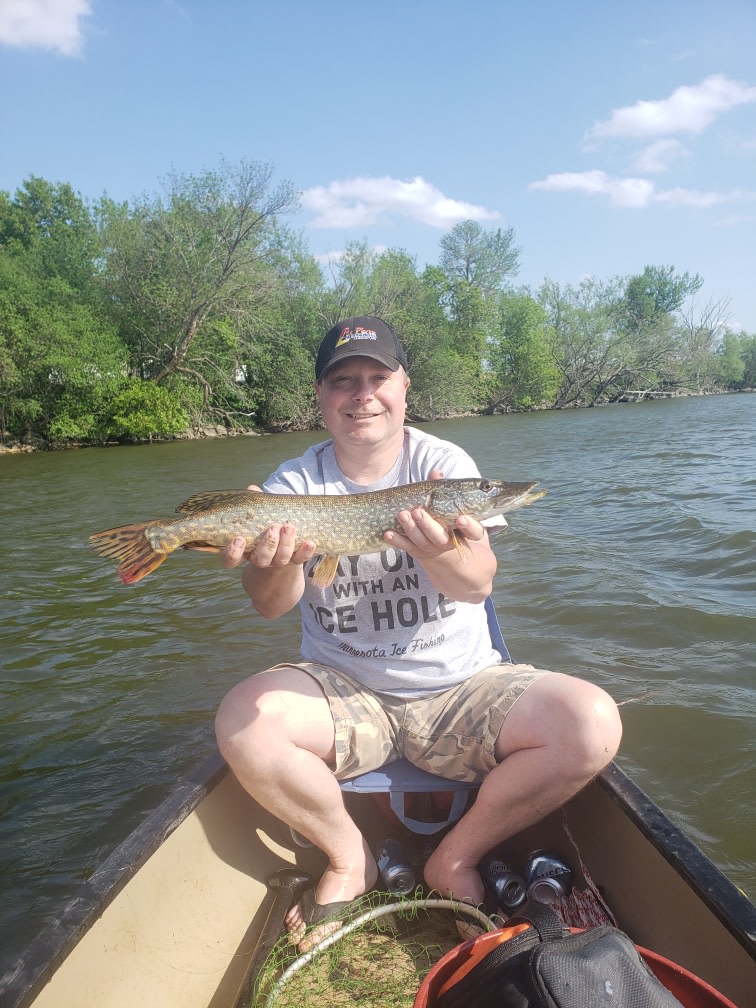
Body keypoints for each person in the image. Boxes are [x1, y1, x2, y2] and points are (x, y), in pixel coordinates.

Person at [215, 316, 622, 950]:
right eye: (344, 381)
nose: (363, 394)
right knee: (242, 720)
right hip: (345, 692)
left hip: (459, 689)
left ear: (404, 387)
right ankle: (349, 857)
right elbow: (271, 606)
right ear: (321, 396)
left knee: (592, 723)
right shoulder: (294, 484)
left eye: (378, 377)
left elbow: (477, 584)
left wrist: (439, 552)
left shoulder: (441, 466)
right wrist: (275, 563)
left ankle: (454, 857)